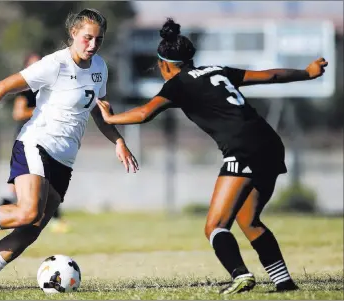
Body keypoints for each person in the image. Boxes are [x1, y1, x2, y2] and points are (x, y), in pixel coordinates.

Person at [96, 18, 328, 295]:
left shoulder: (177, 84)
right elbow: (270, 76)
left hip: (243, 149)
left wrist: (110, 117)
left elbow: (145, 113)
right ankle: (284, 283)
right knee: (249, 220)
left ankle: (240, 275)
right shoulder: (218, 70)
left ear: (164, 64)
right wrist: (307, 72)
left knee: (215, 226)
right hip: (270, 144)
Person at [0, 8, 139, 294]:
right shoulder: (54, 65)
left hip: (64, 160)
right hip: (36, 144)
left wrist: (119, 141)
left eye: (98, 40)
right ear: (73, 34)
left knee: (31, 229)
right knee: (27, 211)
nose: (92, 45)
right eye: (87, 38)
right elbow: (1, 87)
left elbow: (99, 111)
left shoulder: (100, 67)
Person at [4, 52, 69, 234]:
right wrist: (43, 111)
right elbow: (18, 113)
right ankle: (3, 217)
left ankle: (53, 219)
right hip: (28, 142)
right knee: (19, 187)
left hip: (48, 140)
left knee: (47, 182)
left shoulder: (50, 89)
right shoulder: (26, 91)